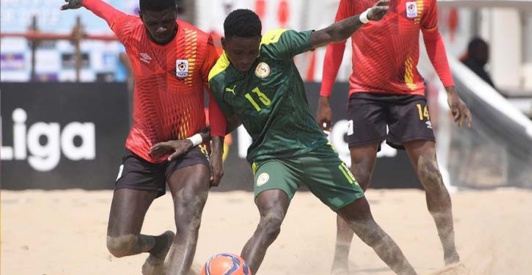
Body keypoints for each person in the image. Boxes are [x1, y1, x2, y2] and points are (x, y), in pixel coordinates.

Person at [210, 5, 417, 275]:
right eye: (238, 52)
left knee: (366, 225)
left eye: (252, 51)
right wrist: (198, 143)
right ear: (224, 43)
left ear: (260, 42)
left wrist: (364, 17)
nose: (246, 59)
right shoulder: (219, 79)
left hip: (313, 148)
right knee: (271, 220)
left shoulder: (276, 45)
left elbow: (330, 33)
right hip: (271, 156)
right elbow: (230, 120)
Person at [60, 0, 227, 274]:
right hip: (144, 147)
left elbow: (219, 100)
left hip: (187, 146)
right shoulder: (130, 30)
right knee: (119, 243)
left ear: (175, 12)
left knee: (189, 218)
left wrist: (216, 152)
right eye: (152, 23)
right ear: (142, 17)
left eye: (166, 20)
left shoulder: (198, 42)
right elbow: (106, 11)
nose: (160, 28)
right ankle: (160, 245)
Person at [316, 0, 472, 273]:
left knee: (430, 173)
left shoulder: (425, 2)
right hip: (365, 94)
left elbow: (433, 40)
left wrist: (450, 90)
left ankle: (451, 257)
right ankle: (340, 260)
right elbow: (337, 40)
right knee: (358, 176)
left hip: (409, 93)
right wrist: (324, 98)